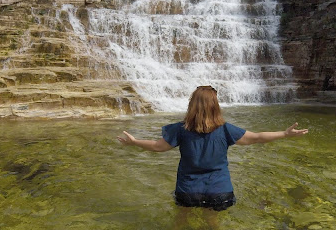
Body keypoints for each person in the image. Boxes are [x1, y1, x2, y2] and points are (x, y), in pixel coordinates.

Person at [117, 86, 309, 218]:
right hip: (219, 190)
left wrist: (134, 142)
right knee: (212, 227)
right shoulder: (226, 130)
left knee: (180, 223)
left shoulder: (179, 129)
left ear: (192, 105)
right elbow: (257, 137)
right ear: (215, 106)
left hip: (188, 190)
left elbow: (157, 147)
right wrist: (284, 134)